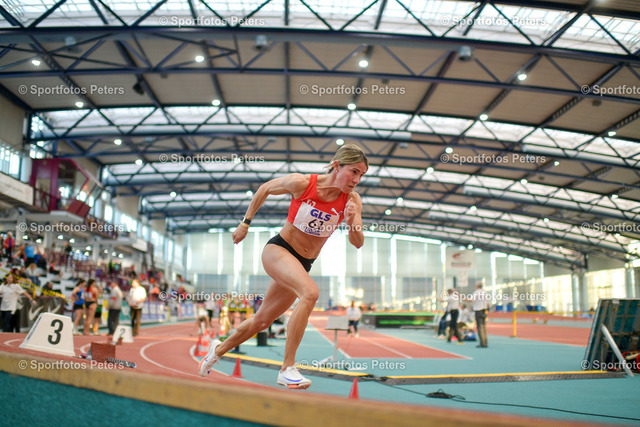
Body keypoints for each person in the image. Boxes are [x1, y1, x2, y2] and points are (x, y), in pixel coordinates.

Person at [198, 144, 368, 389]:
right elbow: (265, 188)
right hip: (279, 251)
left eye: (361, 175)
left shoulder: (352, 200)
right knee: (310, 293)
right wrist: (245, 223)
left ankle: (216, 350)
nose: (357, 180)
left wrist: (352, 222)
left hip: (302, 264)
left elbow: (358, 242)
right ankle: (287, 368)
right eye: (354, 172)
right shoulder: (302, 183)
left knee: (261, 322)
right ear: (337, 166)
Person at [127, 272, 147, 336]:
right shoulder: (132, 289)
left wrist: (136, 302)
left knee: (137, 320)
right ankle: (132, 331)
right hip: (132, 306)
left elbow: (143, 298)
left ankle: (136, 332)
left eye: (133, 282)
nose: (132, 284)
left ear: (137, 283)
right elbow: (129, 297)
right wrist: (130, 303)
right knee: (132, 319)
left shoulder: (142, 289)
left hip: (139, 307)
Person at [472, 282, 490, 348]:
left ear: (477, 286)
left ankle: (482, 343)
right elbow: (488, 304)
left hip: (478, 311)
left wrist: (461, 297)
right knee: (484, 327)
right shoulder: (485, 293)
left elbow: (471, 300)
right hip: (484, 311)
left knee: (480, 328)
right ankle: (485, 342)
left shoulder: (476, 292)